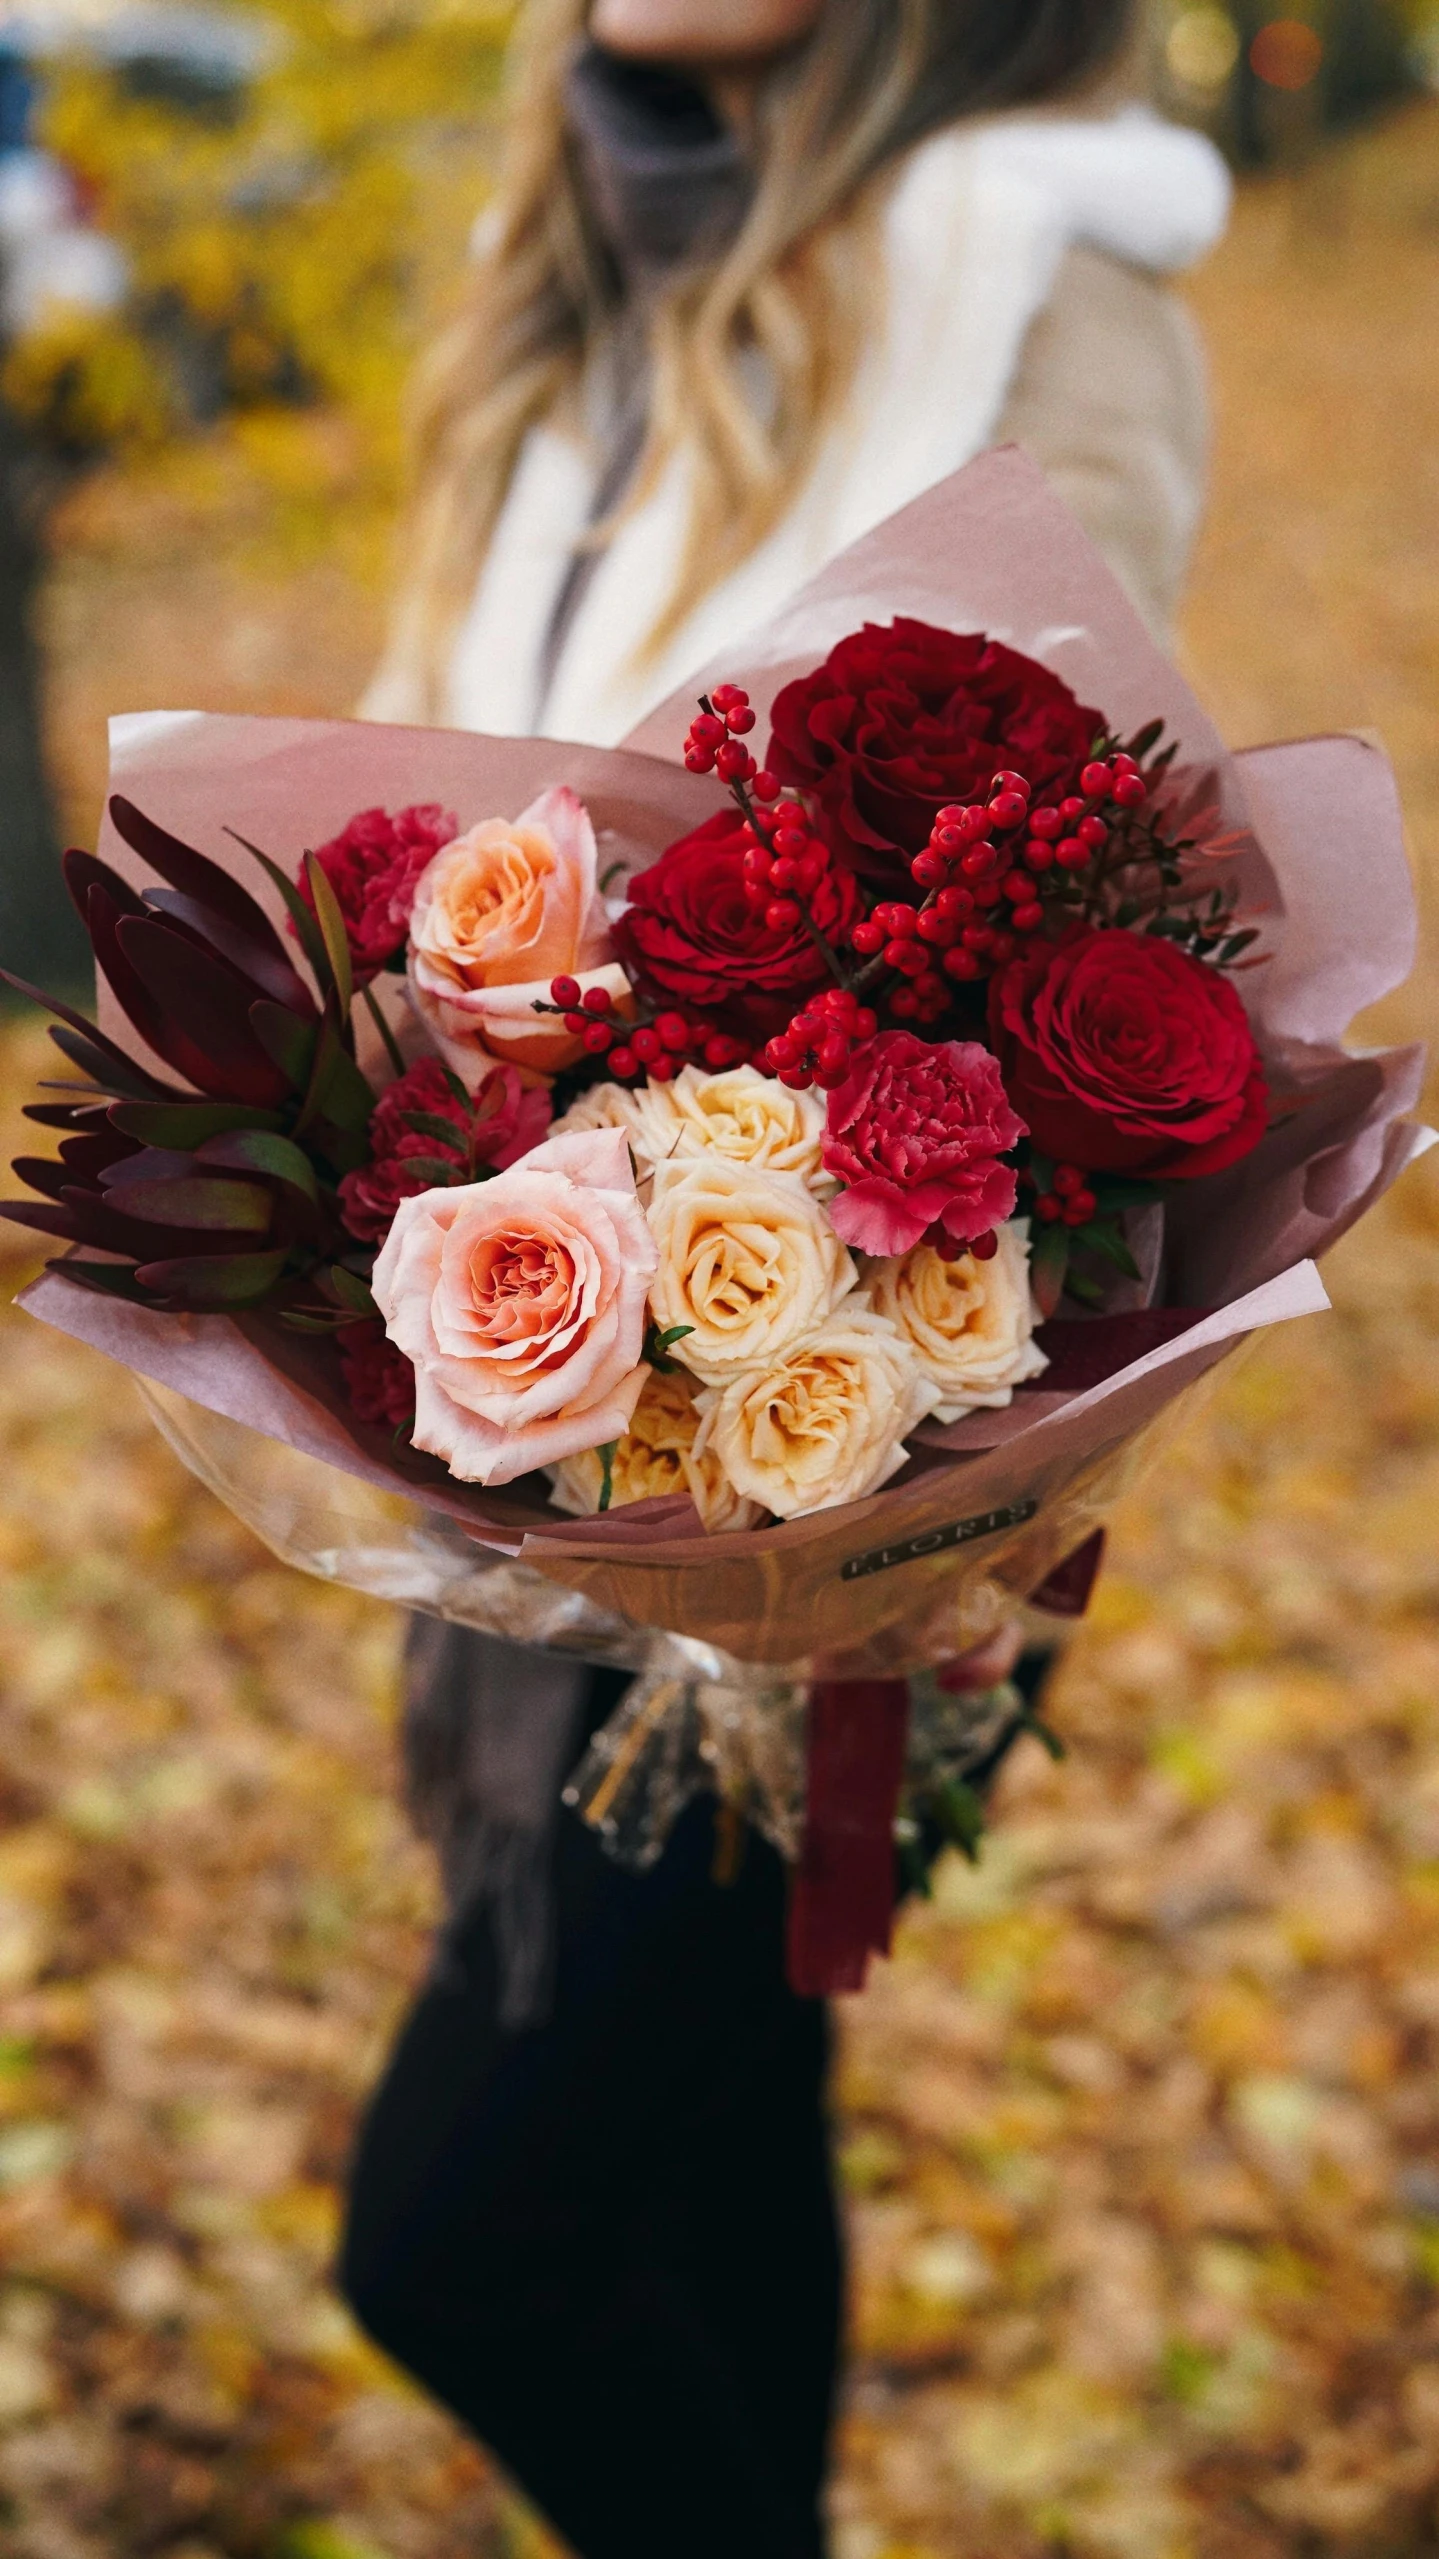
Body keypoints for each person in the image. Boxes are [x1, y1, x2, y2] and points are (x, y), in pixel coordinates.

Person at [340, 5, 1230, 2553]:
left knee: (462, 2237)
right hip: (534, 1411)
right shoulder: (566, 283)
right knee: (710, 2154)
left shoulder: (1024, 281)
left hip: (829, 1482)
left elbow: (1090, 932)